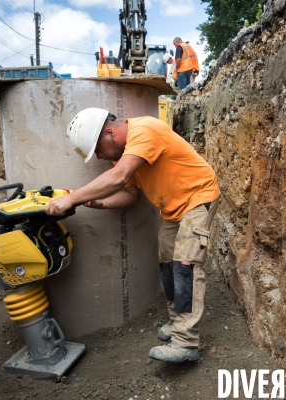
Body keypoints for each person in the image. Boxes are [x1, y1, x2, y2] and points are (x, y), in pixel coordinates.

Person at [46, 108, 220, 363]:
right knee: (167, 267)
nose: (100, 156)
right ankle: (177, 323)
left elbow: (120, 177)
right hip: (173, 207)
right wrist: (101, 204)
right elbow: (130, 194)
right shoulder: (124, 156)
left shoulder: (145, 130)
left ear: (109, 132)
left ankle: (185, 342)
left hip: (198, 198)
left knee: (186, 267)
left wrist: (72, 198)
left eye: (98, 149)